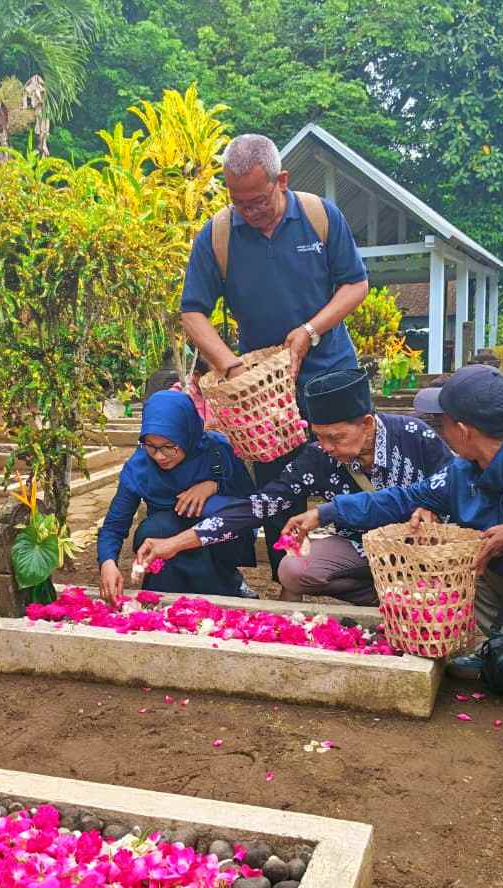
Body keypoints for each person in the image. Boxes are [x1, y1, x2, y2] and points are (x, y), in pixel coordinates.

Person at [280, 366, 503, 709]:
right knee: (477, 548)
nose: (437, 429)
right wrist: (323, 513)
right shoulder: (465, 470)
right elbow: (401, 499)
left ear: (464, 429)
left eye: (441, 422)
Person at [180, 133, 370, 581]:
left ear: (281, 180)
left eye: (259, 200)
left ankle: (364, 568)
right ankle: (289, 575)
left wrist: (309, 331)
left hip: (331, 374)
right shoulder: (219, 234)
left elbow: (355, 285)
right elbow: (193, 312)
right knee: (275, 487)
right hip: (264, 392)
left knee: (354, 468)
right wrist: (231, 365)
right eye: (239, 202)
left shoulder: (320, 216)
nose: (251, 211)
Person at [133, 369, 451, 605]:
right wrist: (173, 544)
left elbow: (456, 486)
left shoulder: (414, 436)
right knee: (293, 569)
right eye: (318, 436)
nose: (324, 446)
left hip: (418, 551)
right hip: (359, 546)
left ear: (366, 424)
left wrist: (432, 507)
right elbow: (256, 507)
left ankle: (408, 597)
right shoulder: (317, 458)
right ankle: (381, 598)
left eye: (335, 437)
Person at [97, 391, 255, 602]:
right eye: (151, 446)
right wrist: (107, 563)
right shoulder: (140, 467)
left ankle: (226, 582)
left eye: (169, 447)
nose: (160, 456)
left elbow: (251, 500)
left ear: (187, 433)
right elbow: (114, 525)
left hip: (217, 542)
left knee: (221, 517)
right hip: (164, 540)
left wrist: (214, 486)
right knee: (155, 529)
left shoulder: (216, 451)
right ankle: (171, 590)